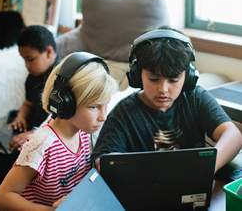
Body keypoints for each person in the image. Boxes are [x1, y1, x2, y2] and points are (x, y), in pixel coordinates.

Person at [92, 27, 242, 173]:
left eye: (173, 80)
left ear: (188, 76)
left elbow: (233, 135)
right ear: (138, 75)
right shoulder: (124, 113)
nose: (163, 89)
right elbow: (103, 159)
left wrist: (206, 168)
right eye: (153, 79)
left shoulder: (195, 98)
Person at [0, 51, 118, 211]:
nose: (103, 116)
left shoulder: (86, 132)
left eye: (105, 105)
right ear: (66, 104)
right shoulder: (42, 144)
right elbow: (2, 198)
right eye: (94, 107)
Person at [0, 25, 58, 209]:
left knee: (4, 163)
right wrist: (21, 116)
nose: (27, 66)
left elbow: (62, 120)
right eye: (24, 60)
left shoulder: (61, 79)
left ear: (49, 52)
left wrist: (34, 134)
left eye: (30, 59)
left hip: (45, 133)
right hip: (29, 126)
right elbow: (28, 103)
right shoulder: (33, 76)